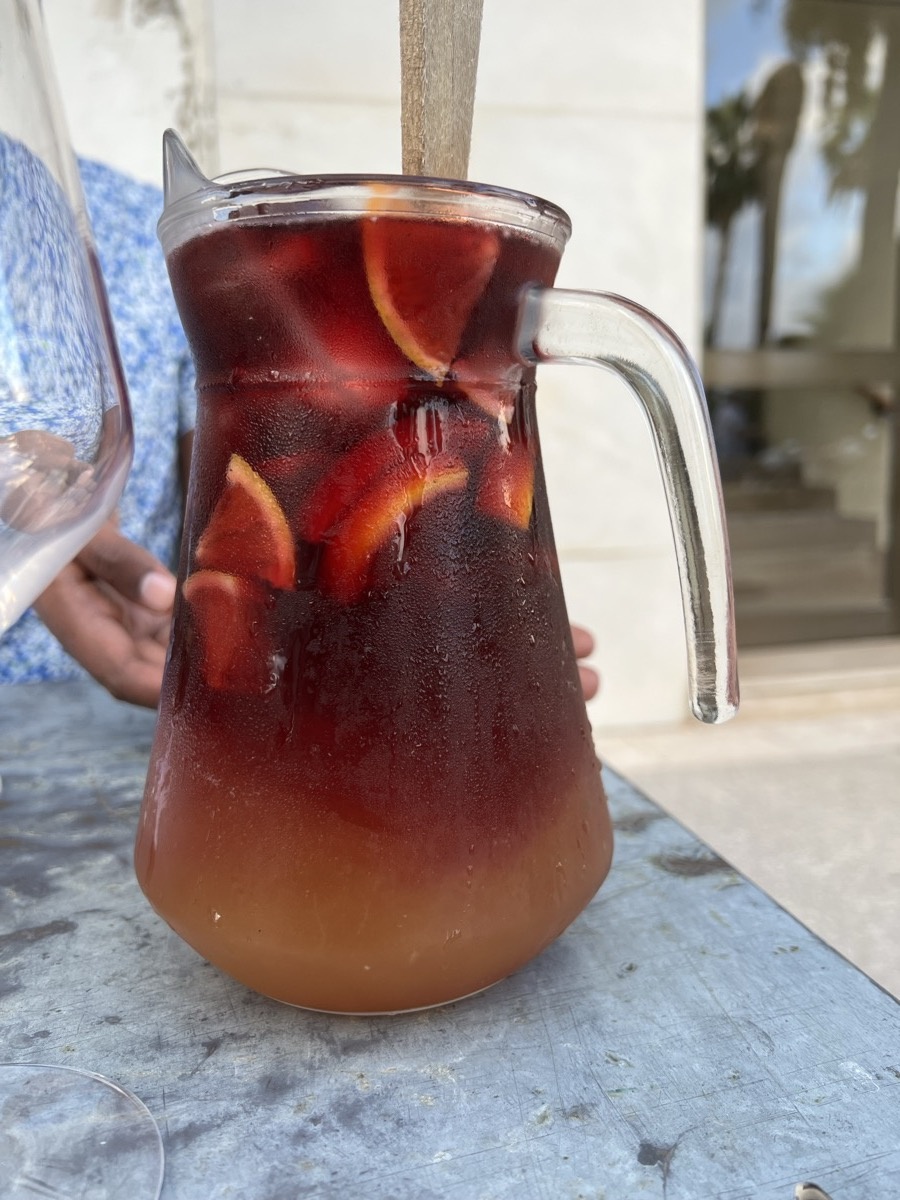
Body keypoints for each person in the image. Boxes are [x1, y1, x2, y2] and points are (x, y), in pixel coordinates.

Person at [0, 156, 599, 707]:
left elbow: (238, 468)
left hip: (161, 694)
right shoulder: (157, 229)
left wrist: (411, 586)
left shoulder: (120, 221)